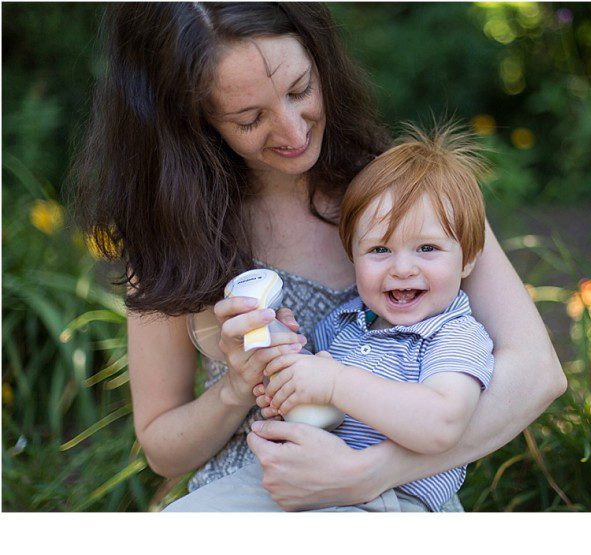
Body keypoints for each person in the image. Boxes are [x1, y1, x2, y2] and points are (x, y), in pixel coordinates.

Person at [72, 3, 565, 511]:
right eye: (250, 118)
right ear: (191, 119)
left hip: (390, 500)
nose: (292, 132)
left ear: (320, 59)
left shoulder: (412, 197)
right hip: (244, 500)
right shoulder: (171, 233)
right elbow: (162, 447)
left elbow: (536, 374)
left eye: (300, 89)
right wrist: (237, 387)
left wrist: (364, 474)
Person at [165, 124, 495, 511]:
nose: (402, 268)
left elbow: (441, 424)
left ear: (468, 257)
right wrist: (283, 360)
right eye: (379, 249)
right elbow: (319, 407)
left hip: (392, 499)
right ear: (352, 255)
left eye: (426, 248)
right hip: (304, 480)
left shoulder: (454, 335)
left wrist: (335, 382)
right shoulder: (346, 323)